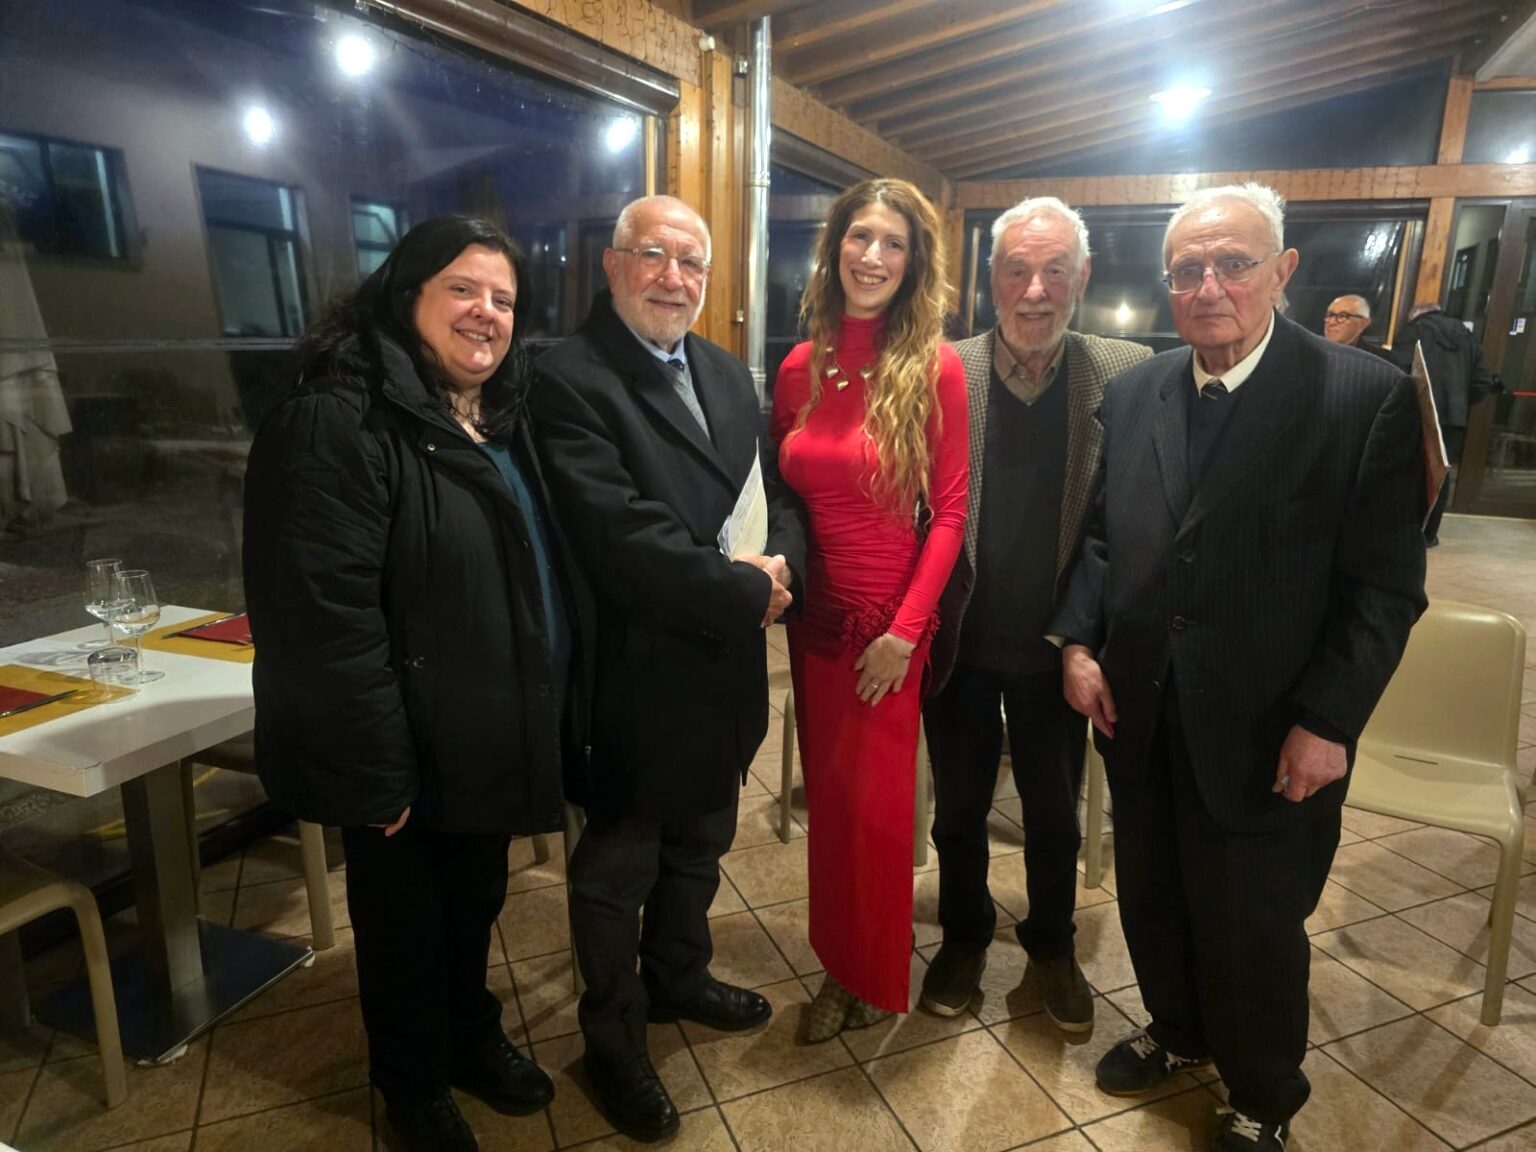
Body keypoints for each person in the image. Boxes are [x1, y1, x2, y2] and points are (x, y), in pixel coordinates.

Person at [1051, 184, 1425, 1152]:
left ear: (1283, 270)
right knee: (1153, 891)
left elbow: (1384, 590)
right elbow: (1104, 538)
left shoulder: (1362, 396)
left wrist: (1329, 722)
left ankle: (1263, 1093)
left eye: (1233, 264)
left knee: (1253, 923)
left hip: (1271, 724)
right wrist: (1079, 643)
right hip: (1141, 705)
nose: (1208, 286)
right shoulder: (1137, 391)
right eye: (1187, 270)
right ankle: (1179, 1031)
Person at [244, 215, 574, 1152]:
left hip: (480, 726)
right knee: (404, 929)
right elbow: (321, 617)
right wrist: (374, 772)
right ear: (405, 296)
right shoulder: (337, 417)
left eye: (504, 299)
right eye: (462, 289)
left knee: (473, 905)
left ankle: (469, 1035)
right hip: (401, 748)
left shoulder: (494, 414)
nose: (486, 312)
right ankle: (413, 1083)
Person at [530, 195, 806, 1143]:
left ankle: (680, 977)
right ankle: (612, 1040)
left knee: (702, 845)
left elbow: (774, 492)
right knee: (617, 873)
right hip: (634, 676)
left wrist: (788, 566)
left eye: (691, 263)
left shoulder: (725, 372)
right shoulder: (567, 377)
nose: (673, 278)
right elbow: (620, 537)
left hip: (723, 672)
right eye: (654, 255)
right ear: (613, 265)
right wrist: (747, 590)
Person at [920, 198, 1150, 1028]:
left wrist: (1085, 637)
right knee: (958, 810)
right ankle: (964, 934)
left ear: (1083, 277)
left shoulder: (1126, 372)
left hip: (1061, 648)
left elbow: (1125, 523)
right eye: (1017, 270)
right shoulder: (943, 369)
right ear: (991, 280)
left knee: (1055, 815)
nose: (1035, 291)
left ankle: (1052, 944)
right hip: (960, 641)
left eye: (1055, 271)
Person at [770, 177, 968, 1041]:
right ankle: (837, 966)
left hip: (886, 626)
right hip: (815, 624)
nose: (873, 256)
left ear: (913, 261)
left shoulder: (934, 366)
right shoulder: (798, 367)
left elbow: (951, 512)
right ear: (836, 247)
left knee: (877, 818)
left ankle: (871, 976)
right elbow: (784, 497)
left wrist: (905, 632)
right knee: (832, 811)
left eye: (893, 243)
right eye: (860, 237)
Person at [1393, 300, 1499, 545]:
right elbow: (1482, 381)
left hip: (1417, 412)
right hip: (1453, 419)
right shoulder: (1466, 336)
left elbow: (1398, 371)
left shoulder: (1413, 331)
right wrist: (1460, 402)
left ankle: (1405, 532)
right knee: (1439, 475)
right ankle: (1429, 535)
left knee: (1409, 470)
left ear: (1415, 315)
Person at [1321, 294, 1397, 364]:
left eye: (1342, 316)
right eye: (1330, 315)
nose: (1331, 322)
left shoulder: (1381, 360)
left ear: (1363, 323)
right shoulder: (1315, 352)